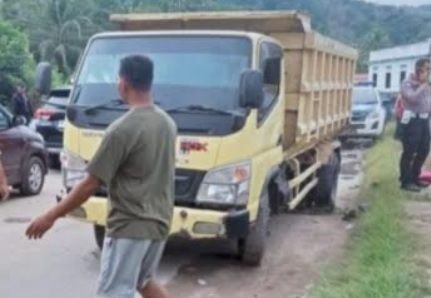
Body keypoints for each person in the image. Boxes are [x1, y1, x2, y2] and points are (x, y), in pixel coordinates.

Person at [25, 55, 177, 298]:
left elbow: (89, 184)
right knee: (145, 282)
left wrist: (49, 216)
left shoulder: (122, 129)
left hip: (130, 224)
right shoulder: (167, 123)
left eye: (118, 78)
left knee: (114, 292)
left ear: (124, 83)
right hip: (159, 221)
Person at [399, 57, 431, 192]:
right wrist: (423, 86)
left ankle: (415, 176)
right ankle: (406, 181)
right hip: (412, 121)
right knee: (410, 151)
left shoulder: (426, 85)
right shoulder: (407, 83)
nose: (429, 72)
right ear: (419, 69)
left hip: (424, 120)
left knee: (424, 149)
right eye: (427, 69)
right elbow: (412, 98)